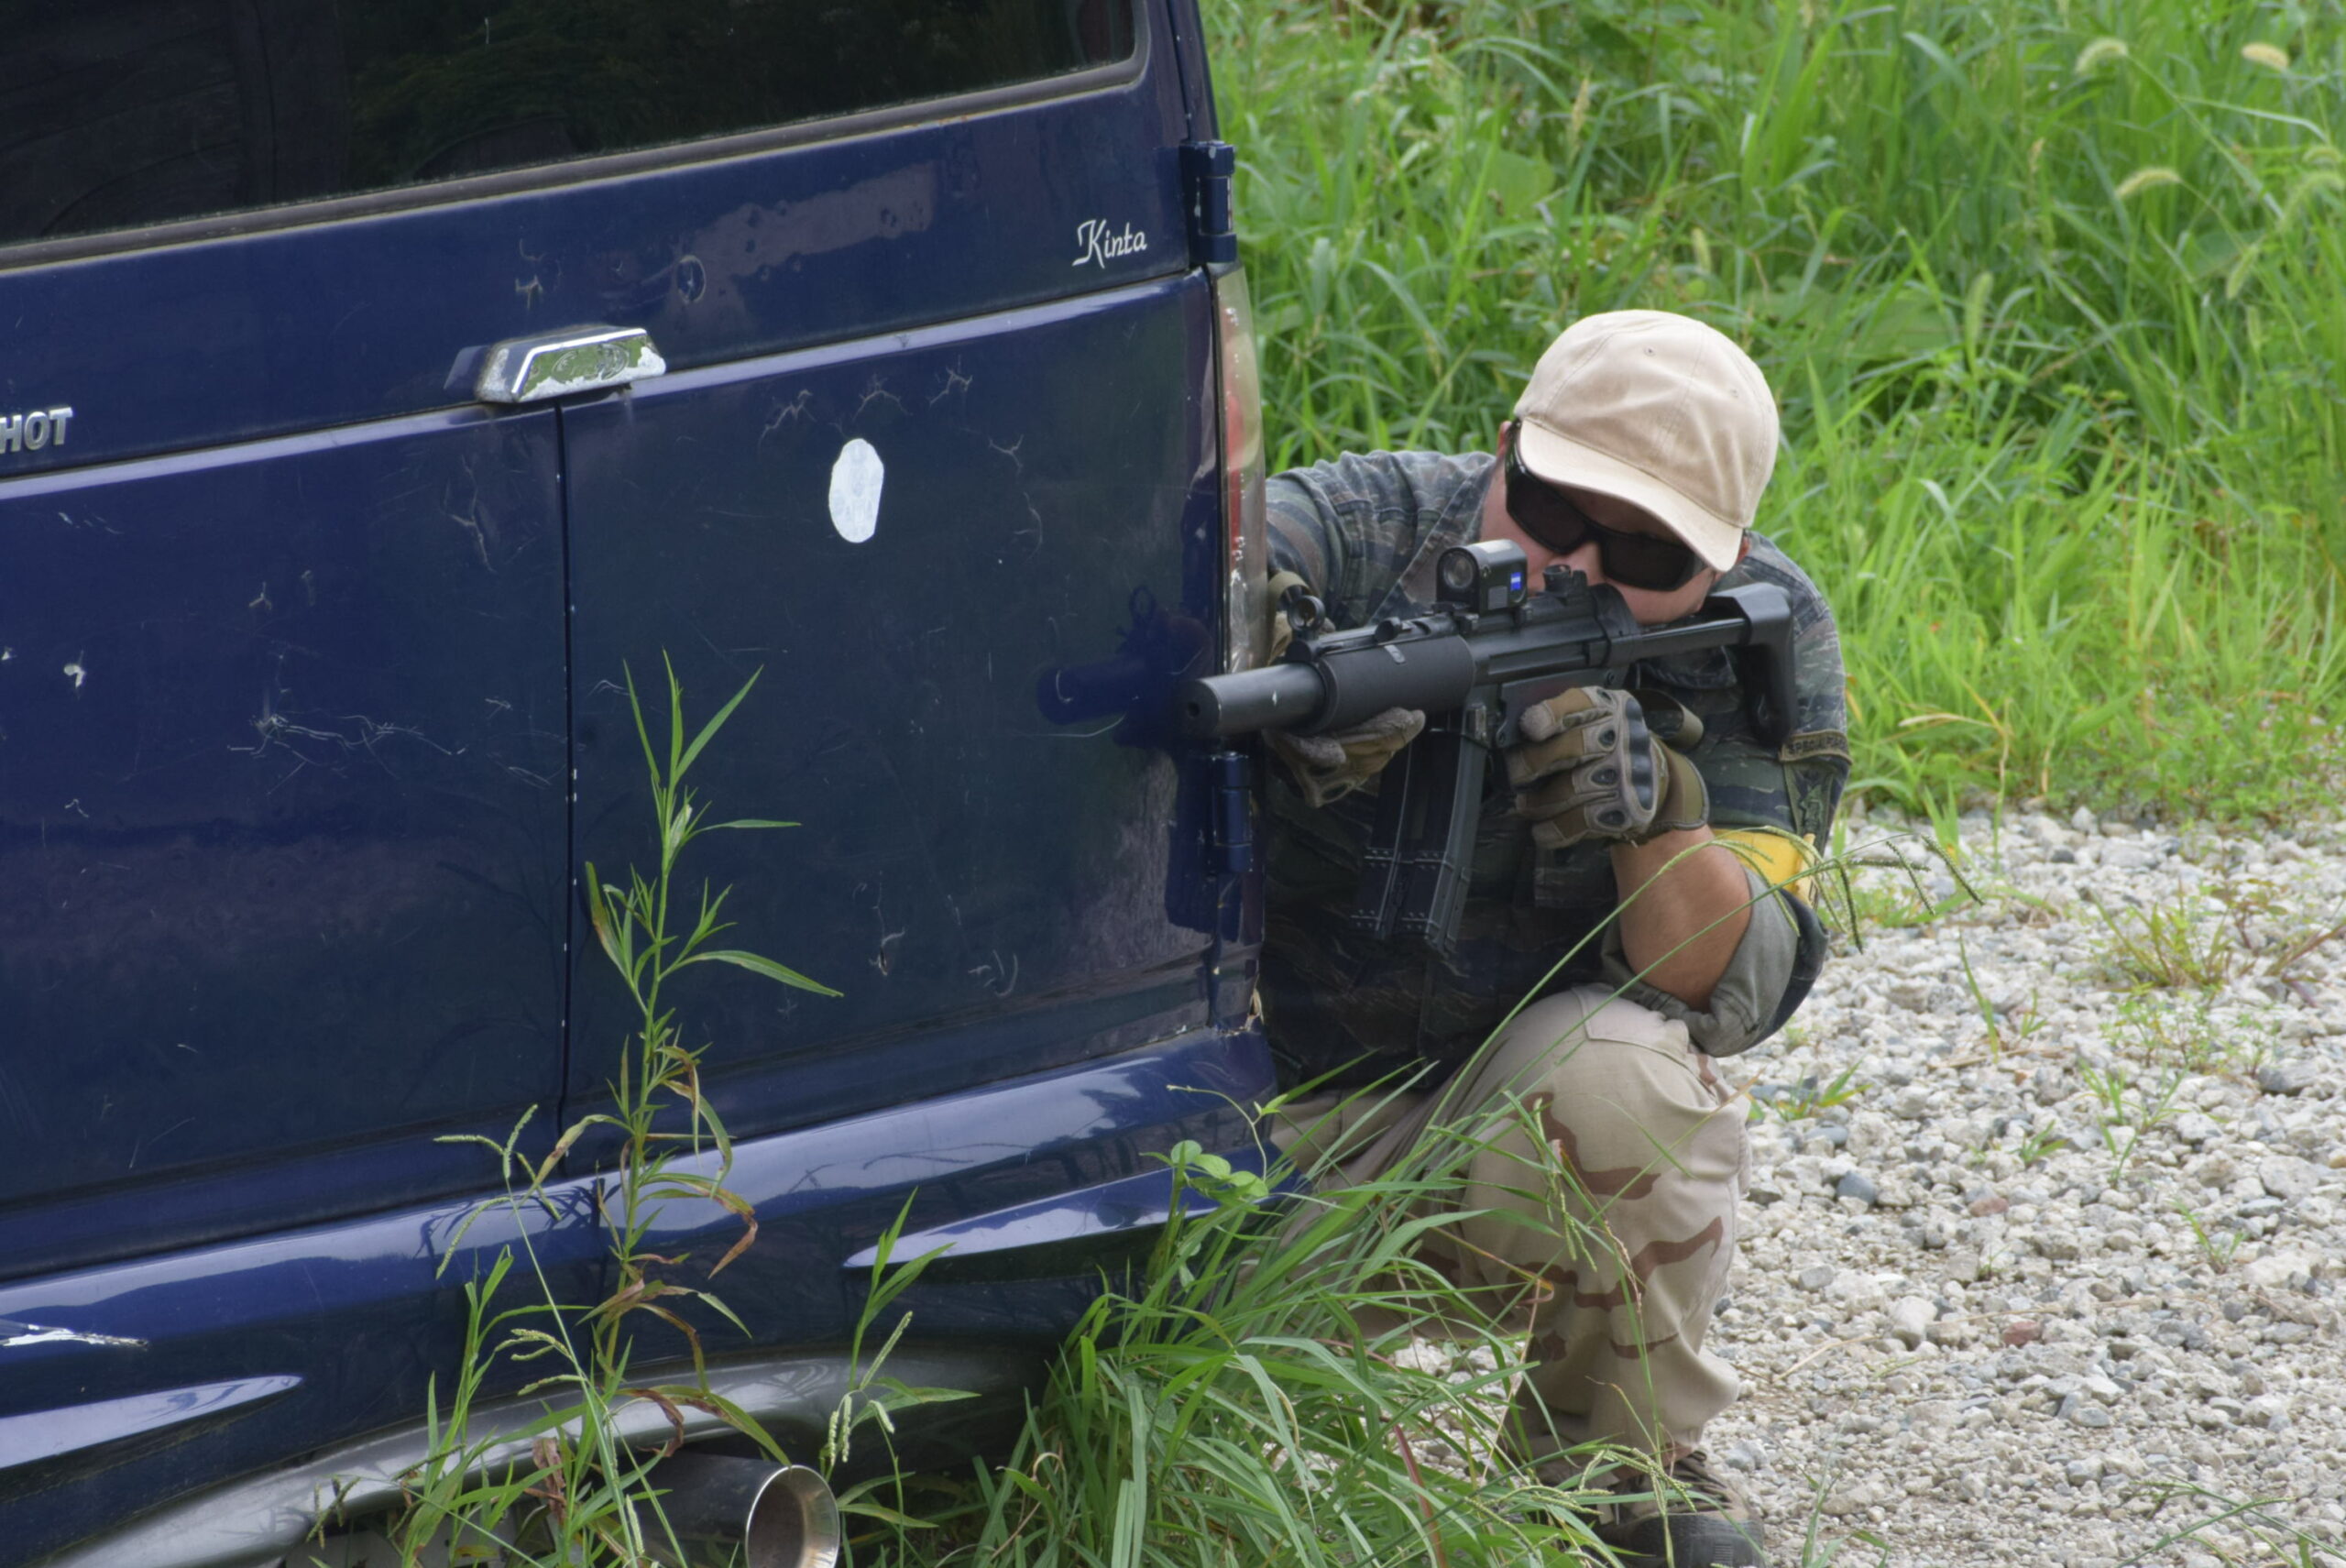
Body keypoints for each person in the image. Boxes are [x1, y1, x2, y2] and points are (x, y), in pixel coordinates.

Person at [1257, 311, 1848, 1568]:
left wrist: (1658, 818)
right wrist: (1275, 678)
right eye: (1551, 507)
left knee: (1636, 1083)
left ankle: (1613, 1476)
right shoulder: (1362, 528)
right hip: (1220, 1141)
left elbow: (1731, 982)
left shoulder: (1752, 636)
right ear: (1503, 450)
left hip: (1466, 1149)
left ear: (1726, 557)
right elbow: (1214, 563)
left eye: (1642, 548)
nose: (1577, 565)